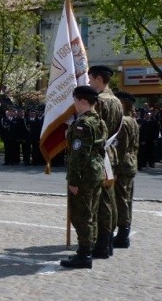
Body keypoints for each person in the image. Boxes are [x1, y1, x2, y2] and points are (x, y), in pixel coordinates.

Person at [60, 85, 106, 269]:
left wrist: (73, 180)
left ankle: (84, 254)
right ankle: (88, 249)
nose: (74, 103)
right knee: (91, 212)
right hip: (96, 170)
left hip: (84, 174)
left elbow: (79, 155)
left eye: (75, 100)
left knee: (81, 214)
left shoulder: (83, 123)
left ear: (83, 101)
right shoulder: (98, 120)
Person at [87, 64, 122, 259]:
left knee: (100, 202)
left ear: (99, 79)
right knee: (110, 200)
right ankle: (107, 243)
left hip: (100, 155)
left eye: (91, 78)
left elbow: (95, 130)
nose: (89, 82)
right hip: (111, 153)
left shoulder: (99, 101)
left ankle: (100, 244)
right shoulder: (116, 100)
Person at [113, 91, 139, 249]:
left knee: (121, 199)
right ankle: (124, 233)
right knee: (127, 199)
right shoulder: (132, 120)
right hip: (130, 163)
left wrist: (113, 168)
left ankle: (122, 236)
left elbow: (120, 147)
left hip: (122, 165)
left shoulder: (123, 121)